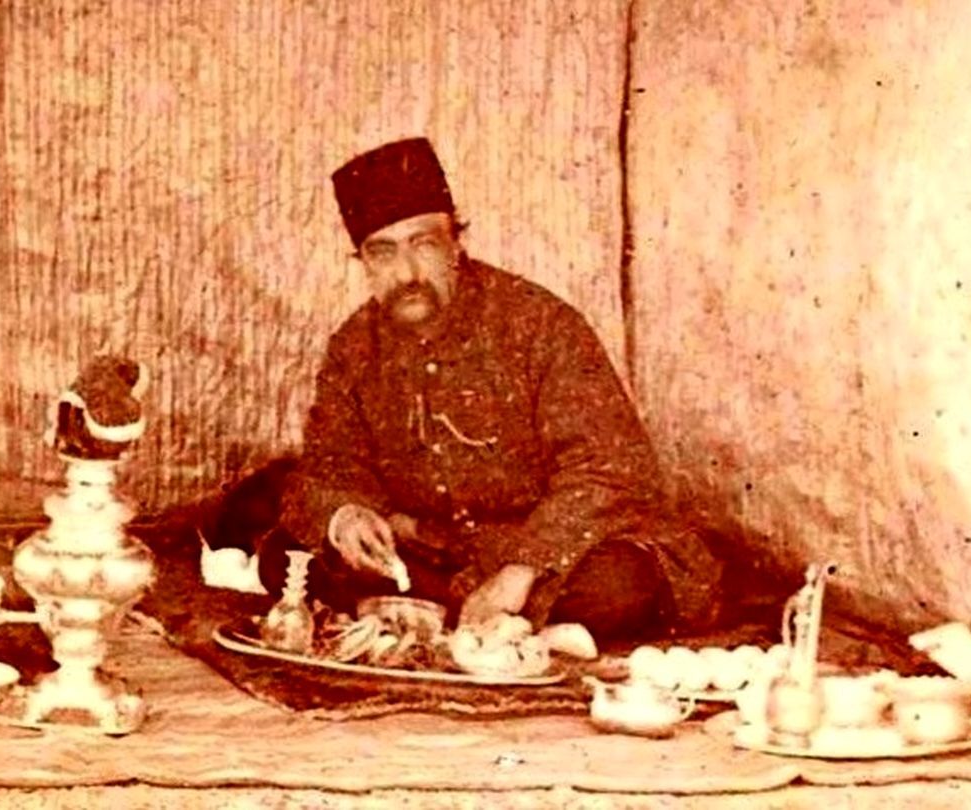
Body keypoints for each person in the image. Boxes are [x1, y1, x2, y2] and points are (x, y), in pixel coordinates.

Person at [224, 137, 722, 642]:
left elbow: (607, 469)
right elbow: (328, 467)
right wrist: (345, 516)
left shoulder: (540, 324)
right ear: (364, 263)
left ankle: (425, 615)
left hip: (546, 552)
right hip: (428, 554)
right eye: (384, 252)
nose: (408, 274)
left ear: (456, 244)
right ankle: (475, 619)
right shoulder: (353, 347)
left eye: (424, 244)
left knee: (620, 587)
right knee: (285, 557)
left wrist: (522, 569)